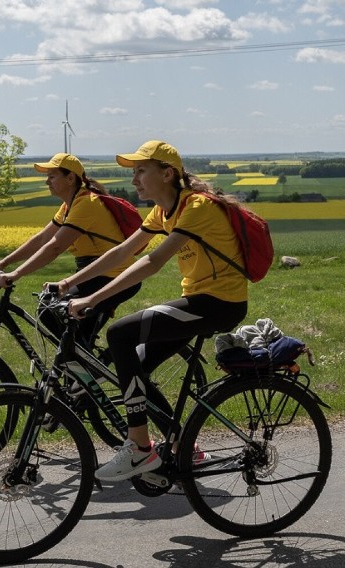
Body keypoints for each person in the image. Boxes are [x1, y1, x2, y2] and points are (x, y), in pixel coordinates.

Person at [62, 140, 249, 482]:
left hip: (219, 305)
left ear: (167, 174)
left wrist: (92, 299)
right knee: (133, 368)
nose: (134, 179)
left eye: (141, 171)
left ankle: (139, 448)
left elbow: (153, 260)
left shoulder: (197, 207)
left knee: (119, 334)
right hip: (198, 302)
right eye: (133, 171)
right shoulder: (163, 210)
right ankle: (181, 444)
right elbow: (123, 252)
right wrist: (70, 282)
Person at [0, 152, 141, 347]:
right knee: (71, 332)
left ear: (70, 178)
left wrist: (15, 274)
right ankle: (79, 367)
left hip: (114, 275)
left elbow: (54, 247)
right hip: (94, 274)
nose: (47, 181)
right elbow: (41, 239)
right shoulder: (70, 205)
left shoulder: (86, 204)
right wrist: (4, 262)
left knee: (49, 309)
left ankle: (81, 367)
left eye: (52, 176)